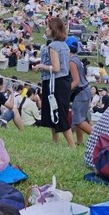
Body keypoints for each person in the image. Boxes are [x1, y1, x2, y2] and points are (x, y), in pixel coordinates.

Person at [33, 17, 75, 147]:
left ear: (54, 30)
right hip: (63, 81)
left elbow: (56, 68)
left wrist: (40, 66)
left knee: (57, 112)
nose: (46, 29)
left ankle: (71, 145)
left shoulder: (52, 46)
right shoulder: (65, 45)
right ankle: (55, 142)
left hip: (54, 83)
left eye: (48, 27)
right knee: (55, 110)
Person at [68, 40, 93, 145]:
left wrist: (65, 91)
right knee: (80, 118)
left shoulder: (71, 62)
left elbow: (76, 81)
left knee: (78, 120)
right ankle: (79, 141)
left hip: (81, 92)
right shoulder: (77, 59)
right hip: (85, 90)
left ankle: (98, 137)